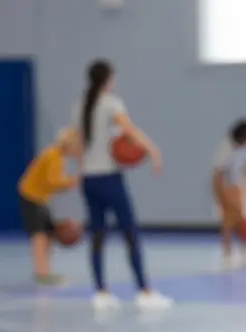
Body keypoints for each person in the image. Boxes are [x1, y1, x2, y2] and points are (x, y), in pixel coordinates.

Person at [72, 58, 173, 310]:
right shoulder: (111, 103)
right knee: (130, 232)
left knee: (97, 234)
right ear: (108, 78)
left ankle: (100, 292)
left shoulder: (79, 106)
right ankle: (144, 291)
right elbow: (129, 131)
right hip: (108, 178)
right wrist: (152, 150)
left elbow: (77, 147)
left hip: (88, 179)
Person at [17, 127, 82, 285]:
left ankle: (44, 270)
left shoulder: (55, 154)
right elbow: (52, 182)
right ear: (70, 146)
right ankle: (41, 273)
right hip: (31, 197)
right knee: (39, 236)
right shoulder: (54, 156)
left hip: (38, 199)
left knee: (48, 234)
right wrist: (71, 182)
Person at [211, 119, 246, 268]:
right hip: (224, 185)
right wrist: (221, 195)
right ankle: (227, 254)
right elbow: (218, 173)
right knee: (228, 221)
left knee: (242, 219)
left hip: (236, 185)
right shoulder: (226, 149)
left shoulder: (245, 149)